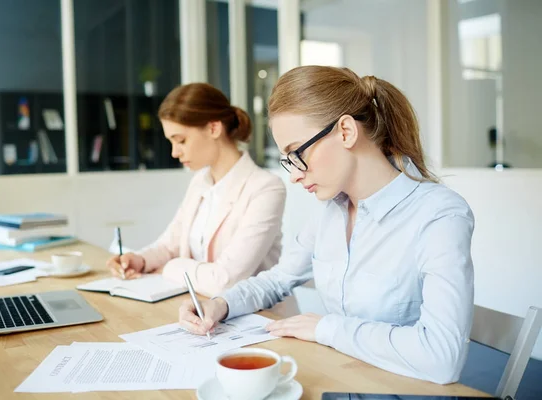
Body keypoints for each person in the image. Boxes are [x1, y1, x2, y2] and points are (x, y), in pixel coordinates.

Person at [177, 66, 475, 385]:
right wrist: (220, 305)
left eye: (296, 153)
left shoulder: (439, 214)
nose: (293, 174)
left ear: (345, 131)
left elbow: (442, 358)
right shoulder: (331, 209)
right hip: (340, 379)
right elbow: (279, 279)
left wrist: (326, 328)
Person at [106, 83, 288, 299]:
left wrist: (170, 268)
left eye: (181, 140)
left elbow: (225, 280)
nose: (174, 152)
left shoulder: (265, 188)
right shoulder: (200, 182)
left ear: (213, 128)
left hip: (260, 320)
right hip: (203, 310)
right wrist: (139, 260)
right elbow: (170, 244)